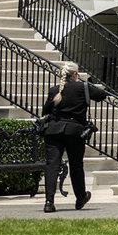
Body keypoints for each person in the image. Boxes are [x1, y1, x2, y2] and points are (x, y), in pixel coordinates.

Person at [38, 60, 108, 212]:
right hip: (74, 131)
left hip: (54, 130)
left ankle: (49, 202)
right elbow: (102, 95)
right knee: (76, 165)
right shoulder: (83, 87)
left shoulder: (54, 90)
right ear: (75, 74)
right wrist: (88, 84)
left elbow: (46, 111)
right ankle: (80, 198)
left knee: (52, 165)